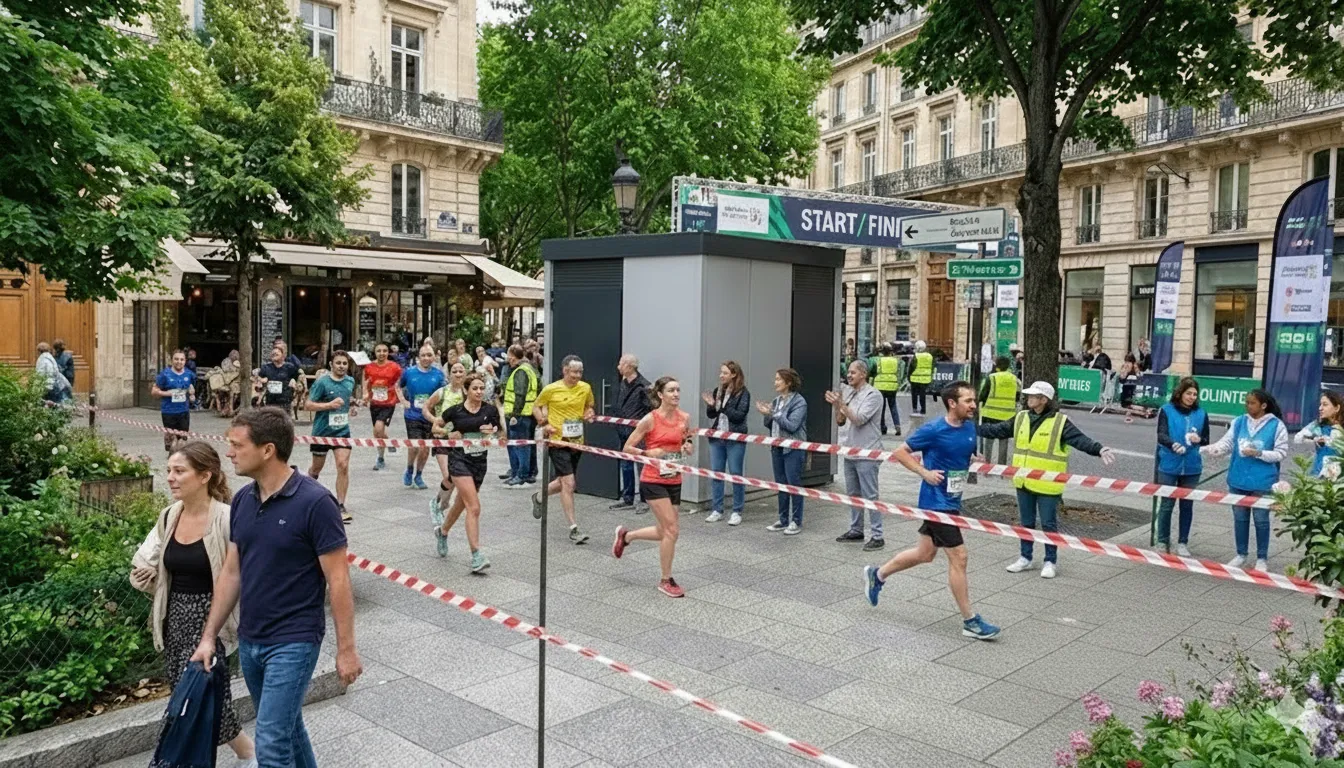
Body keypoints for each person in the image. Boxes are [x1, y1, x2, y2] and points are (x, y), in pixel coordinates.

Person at [189, 408, 362, 768]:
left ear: (267, 450)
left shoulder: (315, 502)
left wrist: (346, 650)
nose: (230, 453)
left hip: (294, 640)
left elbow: (339, 580)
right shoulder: (242, 500)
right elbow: (232, 572)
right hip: (252, 640)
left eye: (237, 445)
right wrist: (209, 636)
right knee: (287, 728)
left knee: (269, 741)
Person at [130, 442, 255, 767]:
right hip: (174, 622)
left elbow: (243, 575)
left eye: (179, 471)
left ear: (204, 476)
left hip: (211, 622)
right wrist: (149, 578)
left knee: (205, 700)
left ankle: (248, 756)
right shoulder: (169, 516)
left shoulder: (227, 519)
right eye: (169, 470)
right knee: (192, 699)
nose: (170, 477)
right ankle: (251, 755)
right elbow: (150, 565)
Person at [864, 381, 1001, 640]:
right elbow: (901, 452)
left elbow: (960, 453)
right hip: (936, 504)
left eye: (973, 400)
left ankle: (877, 575)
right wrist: (924, 472)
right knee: (959, 557)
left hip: (953, 500)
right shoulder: (934, 429)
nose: (973, 405)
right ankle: (970, 621)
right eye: (968, 401)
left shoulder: (970, 427)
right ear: (952, 403)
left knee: (925, 554)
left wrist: (973, 459)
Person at [979, 381, 1114, 578]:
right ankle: (1025, 558)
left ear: (1044, 400)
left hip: (1048, 484)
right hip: (1023, 481)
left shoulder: (1060, 422)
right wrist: (971, 428)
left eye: (1033, 396)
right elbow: (998, 430)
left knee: (1048, 524)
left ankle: (1050, 561)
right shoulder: (1021, 417)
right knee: (1026, 523)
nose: (1028, 398)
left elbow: (1080, 440)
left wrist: (1099, 449)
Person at [614, 376, 695, 597]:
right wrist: (647, 453)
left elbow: (686, 440)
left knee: (664, 531)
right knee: (672, 530)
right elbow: (628, 447)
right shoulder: (650, 420)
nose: (676, 394)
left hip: (674, 478)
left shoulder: (684, 417)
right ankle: (665, 580)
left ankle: (627, 536)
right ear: (660, 395)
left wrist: (687, 446)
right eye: (671, 391)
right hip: (652, 479)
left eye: (678, 390)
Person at [1201, 389, 1288, 572]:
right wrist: (1210, 449)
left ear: (1263, 406)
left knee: (1261, 519)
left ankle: (1262, 558)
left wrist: (1259, 453)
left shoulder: (1277, 425)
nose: (1248, 406)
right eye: (1246, 402)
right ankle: (1241, 554)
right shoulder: (1239, 422)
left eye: (1252, 403)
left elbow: (1281, 453)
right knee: (1240, 518)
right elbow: (1226, 444)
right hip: (1238, 479)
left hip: (1262, 481)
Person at [432, 373, 504, 571]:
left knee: (462, 504)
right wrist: (449, 433)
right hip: (459, 461)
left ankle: (443, 531)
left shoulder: (490, 410)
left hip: (479, 462)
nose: (479, 392)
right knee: (474, 507)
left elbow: (500, 432)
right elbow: (435, 428)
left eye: (482, 388)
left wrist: (494, 432)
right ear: (466, 390)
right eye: (475, 388)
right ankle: (476, 556)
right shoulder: (455, 411)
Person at [530, 355, 595, 544]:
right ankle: (574, 528)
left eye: (580, 372)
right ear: (565, 370)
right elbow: (537, 406)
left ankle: (539, 497)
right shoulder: (551, 389)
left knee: (562, 482)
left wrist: (589, 413)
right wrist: (544, 423)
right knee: (569, 484)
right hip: (557, 442)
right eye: (574, 372)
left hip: (577, 441)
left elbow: (589, 406)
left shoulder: (585, 388)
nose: (578, 375)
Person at [829, 360, 886, 550]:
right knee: (853, 494)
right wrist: (838, 406)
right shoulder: (850, 393)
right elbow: (840, 421)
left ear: (863, 374)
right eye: (849, 373)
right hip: (850, 450)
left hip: (867, 452)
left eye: (853, 372)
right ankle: (856, 530)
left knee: (870, 495)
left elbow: (859, 419)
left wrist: (841, 402)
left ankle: (877, 535)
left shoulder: (873, 395)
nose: (849, 375)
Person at [1154, 378, 1207, 556]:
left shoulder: (1201, 413)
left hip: (1192, 465)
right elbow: (1161, 435)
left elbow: (1206, 439)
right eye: (1188, 393)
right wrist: (1173, 444)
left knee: (1187, 505)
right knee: (1167, 504)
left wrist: (1199, 440)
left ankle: (1183, 542)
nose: (1192, 397)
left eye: (1194, 394)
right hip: (1169, 463)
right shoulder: (1167, 410)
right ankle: (1162, 541)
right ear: (1180, 393)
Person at [305, 351, 358, 524]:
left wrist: (353, 406)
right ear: (331, 365)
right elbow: (308, 405)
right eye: (338, 363)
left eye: (344, 363)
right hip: (322, 432)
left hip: (342, 431)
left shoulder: (350, 381)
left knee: (343, 465)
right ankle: (304, 494)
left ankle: (340, 504)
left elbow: (347, 399)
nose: (341, 366)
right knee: (315, 469)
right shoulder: (322, 382)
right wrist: (329, 405)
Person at [758, 368, 807, 534]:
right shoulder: (777, 400)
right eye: (775, 379)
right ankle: (783, 519)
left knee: (793, 483)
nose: (775, 382)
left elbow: (792, 425)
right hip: (776, 446)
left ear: (789, 382)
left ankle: (796, 521)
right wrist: (766, 413)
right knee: (781, 484)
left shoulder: (799, 402)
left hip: (793, 447)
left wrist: (773, 413)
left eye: (779, 379)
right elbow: (770, 423)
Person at [703, 361, 750, 525]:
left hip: (735, 438)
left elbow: (738, 415)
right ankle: (717, 509)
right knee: (717, 473)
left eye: (724, 373)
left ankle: (737, 511)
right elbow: (711, 415)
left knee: (736, 473)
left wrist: (722, 406)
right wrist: (711, 405)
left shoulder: (743, 393)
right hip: (717, 438)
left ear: (734, 374)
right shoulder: (718, 391)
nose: (721, 375)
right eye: (720, 372)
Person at [396, 346, 447, 490]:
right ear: (418, 356)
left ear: (434, 357)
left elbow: (444, 393)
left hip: (430, 417)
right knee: (414, 446)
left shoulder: (438, 374)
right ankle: (409, 468)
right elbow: (398, 385)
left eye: (429, 355)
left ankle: (419, 474)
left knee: (425, 449)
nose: (426, 358)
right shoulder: (409, 372)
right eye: (423, 355)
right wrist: (403, 401)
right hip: (412, 415)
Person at [610, 354, 652, 511]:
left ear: (629, 366)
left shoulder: (644, 386)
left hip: (638, 432)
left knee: (642, 466)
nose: (618, 367)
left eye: (621, 364)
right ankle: (627, 498)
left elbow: (650, 409)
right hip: (622, 431)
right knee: (626, 465)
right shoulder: (622, 384)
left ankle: (644, 500)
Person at [425, 361, 468, 511]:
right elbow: (426, 407)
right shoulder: (442, 392)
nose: (457, 374)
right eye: (454, 371)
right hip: (441, 438)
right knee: (449, 475)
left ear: (466, 374)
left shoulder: (469, 393)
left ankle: (440, 499)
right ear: (449, 374)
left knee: (455, 477)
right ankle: (441, 503)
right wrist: (434, 420)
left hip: (461, 440)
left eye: (460, 371)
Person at [500, 345, 541, 487]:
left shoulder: (520, 371)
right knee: (527, 444)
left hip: (518, 415)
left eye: (508, 356)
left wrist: (514, 414)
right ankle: (529, 472)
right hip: (528, 414)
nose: (508, 359)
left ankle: (520, 474)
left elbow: (519, 394)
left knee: (519, 445)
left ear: (512, 356)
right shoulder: (531, 369)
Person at [362, 343, 403, 471]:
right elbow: (366, 381)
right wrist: (365, 395)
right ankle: (384, 450)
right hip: (375, 403)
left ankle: (380, 458)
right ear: (375, 352)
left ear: (388, 352)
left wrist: (400, 396)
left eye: (384, 351)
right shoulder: (369, 367)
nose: (382, 353)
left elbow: (400, 381)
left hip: (388, 403)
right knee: (377, 431)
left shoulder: (394, 367)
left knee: (379, 427)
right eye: (379, 351)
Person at [152, 349, 196, 453]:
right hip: (169, 411)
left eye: (181, 359)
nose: (179, 362)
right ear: (172, 360)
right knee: (171, 441)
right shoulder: (165, 374)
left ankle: (180, 459)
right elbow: (154, 392)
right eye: (176, 359)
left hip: (184, 411)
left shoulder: (189, 374)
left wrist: (192, 394)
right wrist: (167, 393)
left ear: (185, 361)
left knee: (183, 439)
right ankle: (172, 457)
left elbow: (191, 387)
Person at [977, 356, 1018, 466]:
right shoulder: (1014, 378)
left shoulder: (992, 377)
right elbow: (1018, 396)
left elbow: (982, 395)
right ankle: (1001, 467)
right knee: (1003, 441)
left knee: (989, 440)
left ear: (996, 364)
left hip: (990, 413)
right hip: (1008, 414)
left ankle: (987, 465)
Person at [1295, 390, 1344, 477]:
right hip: (1317, 473)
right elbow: (1297, 438)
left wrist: (1328, 441)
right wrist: (1314, 439)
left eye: (1325, 405)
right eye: (1320, 404)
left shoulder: (1341, 429)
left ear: (1337, 408)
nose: (1320, 408)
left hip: (1338, 476)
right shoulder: (1317, 425)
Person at [869, 343, 903, 437]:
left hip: (880, 386)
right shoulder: (895, 361)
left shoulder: (878, 361)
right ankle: (897, 426)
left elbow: (872, 371)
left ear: (882, 352)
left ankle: (883, 427)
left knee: (882, 408)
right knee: (893, 406)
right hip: (892, 385)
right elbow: (899, 372)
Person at [908, 341, 934, 416]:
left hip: (915, 378)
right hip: (925, 379)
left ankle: (915, 408)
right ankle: (923, 409)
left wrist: (909, 376)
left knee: (914, 394)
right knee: (923, 394)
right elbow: (932, 366)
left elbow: (911, 367)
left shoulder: (916, 356)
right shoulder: (929, 356)